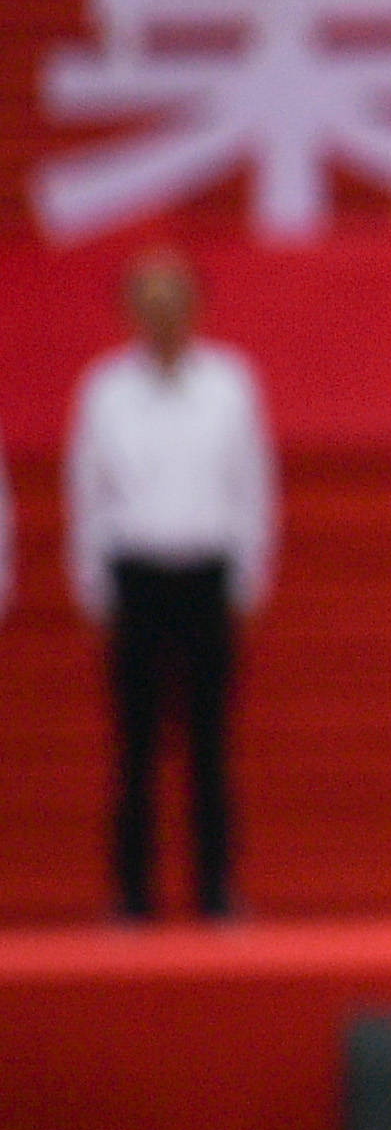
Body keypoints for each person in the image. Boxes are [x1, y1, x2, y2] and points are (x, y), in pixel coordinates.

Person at [67, 248, 274, 921]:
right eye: (147, 304)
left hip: (207, 574)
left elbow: (253, 486)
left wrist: (249, 578)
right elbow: (87, 494)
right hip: (135, 575)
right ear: (128, 313)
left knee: (211, 746)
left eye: (173, 302)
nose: (161, 317)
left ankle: (215, 892)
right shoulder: (103, 389)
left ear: (195, 309)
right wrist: (94, 584)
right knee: (134, 747)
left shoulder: (230, 384)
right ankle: (132, 896)